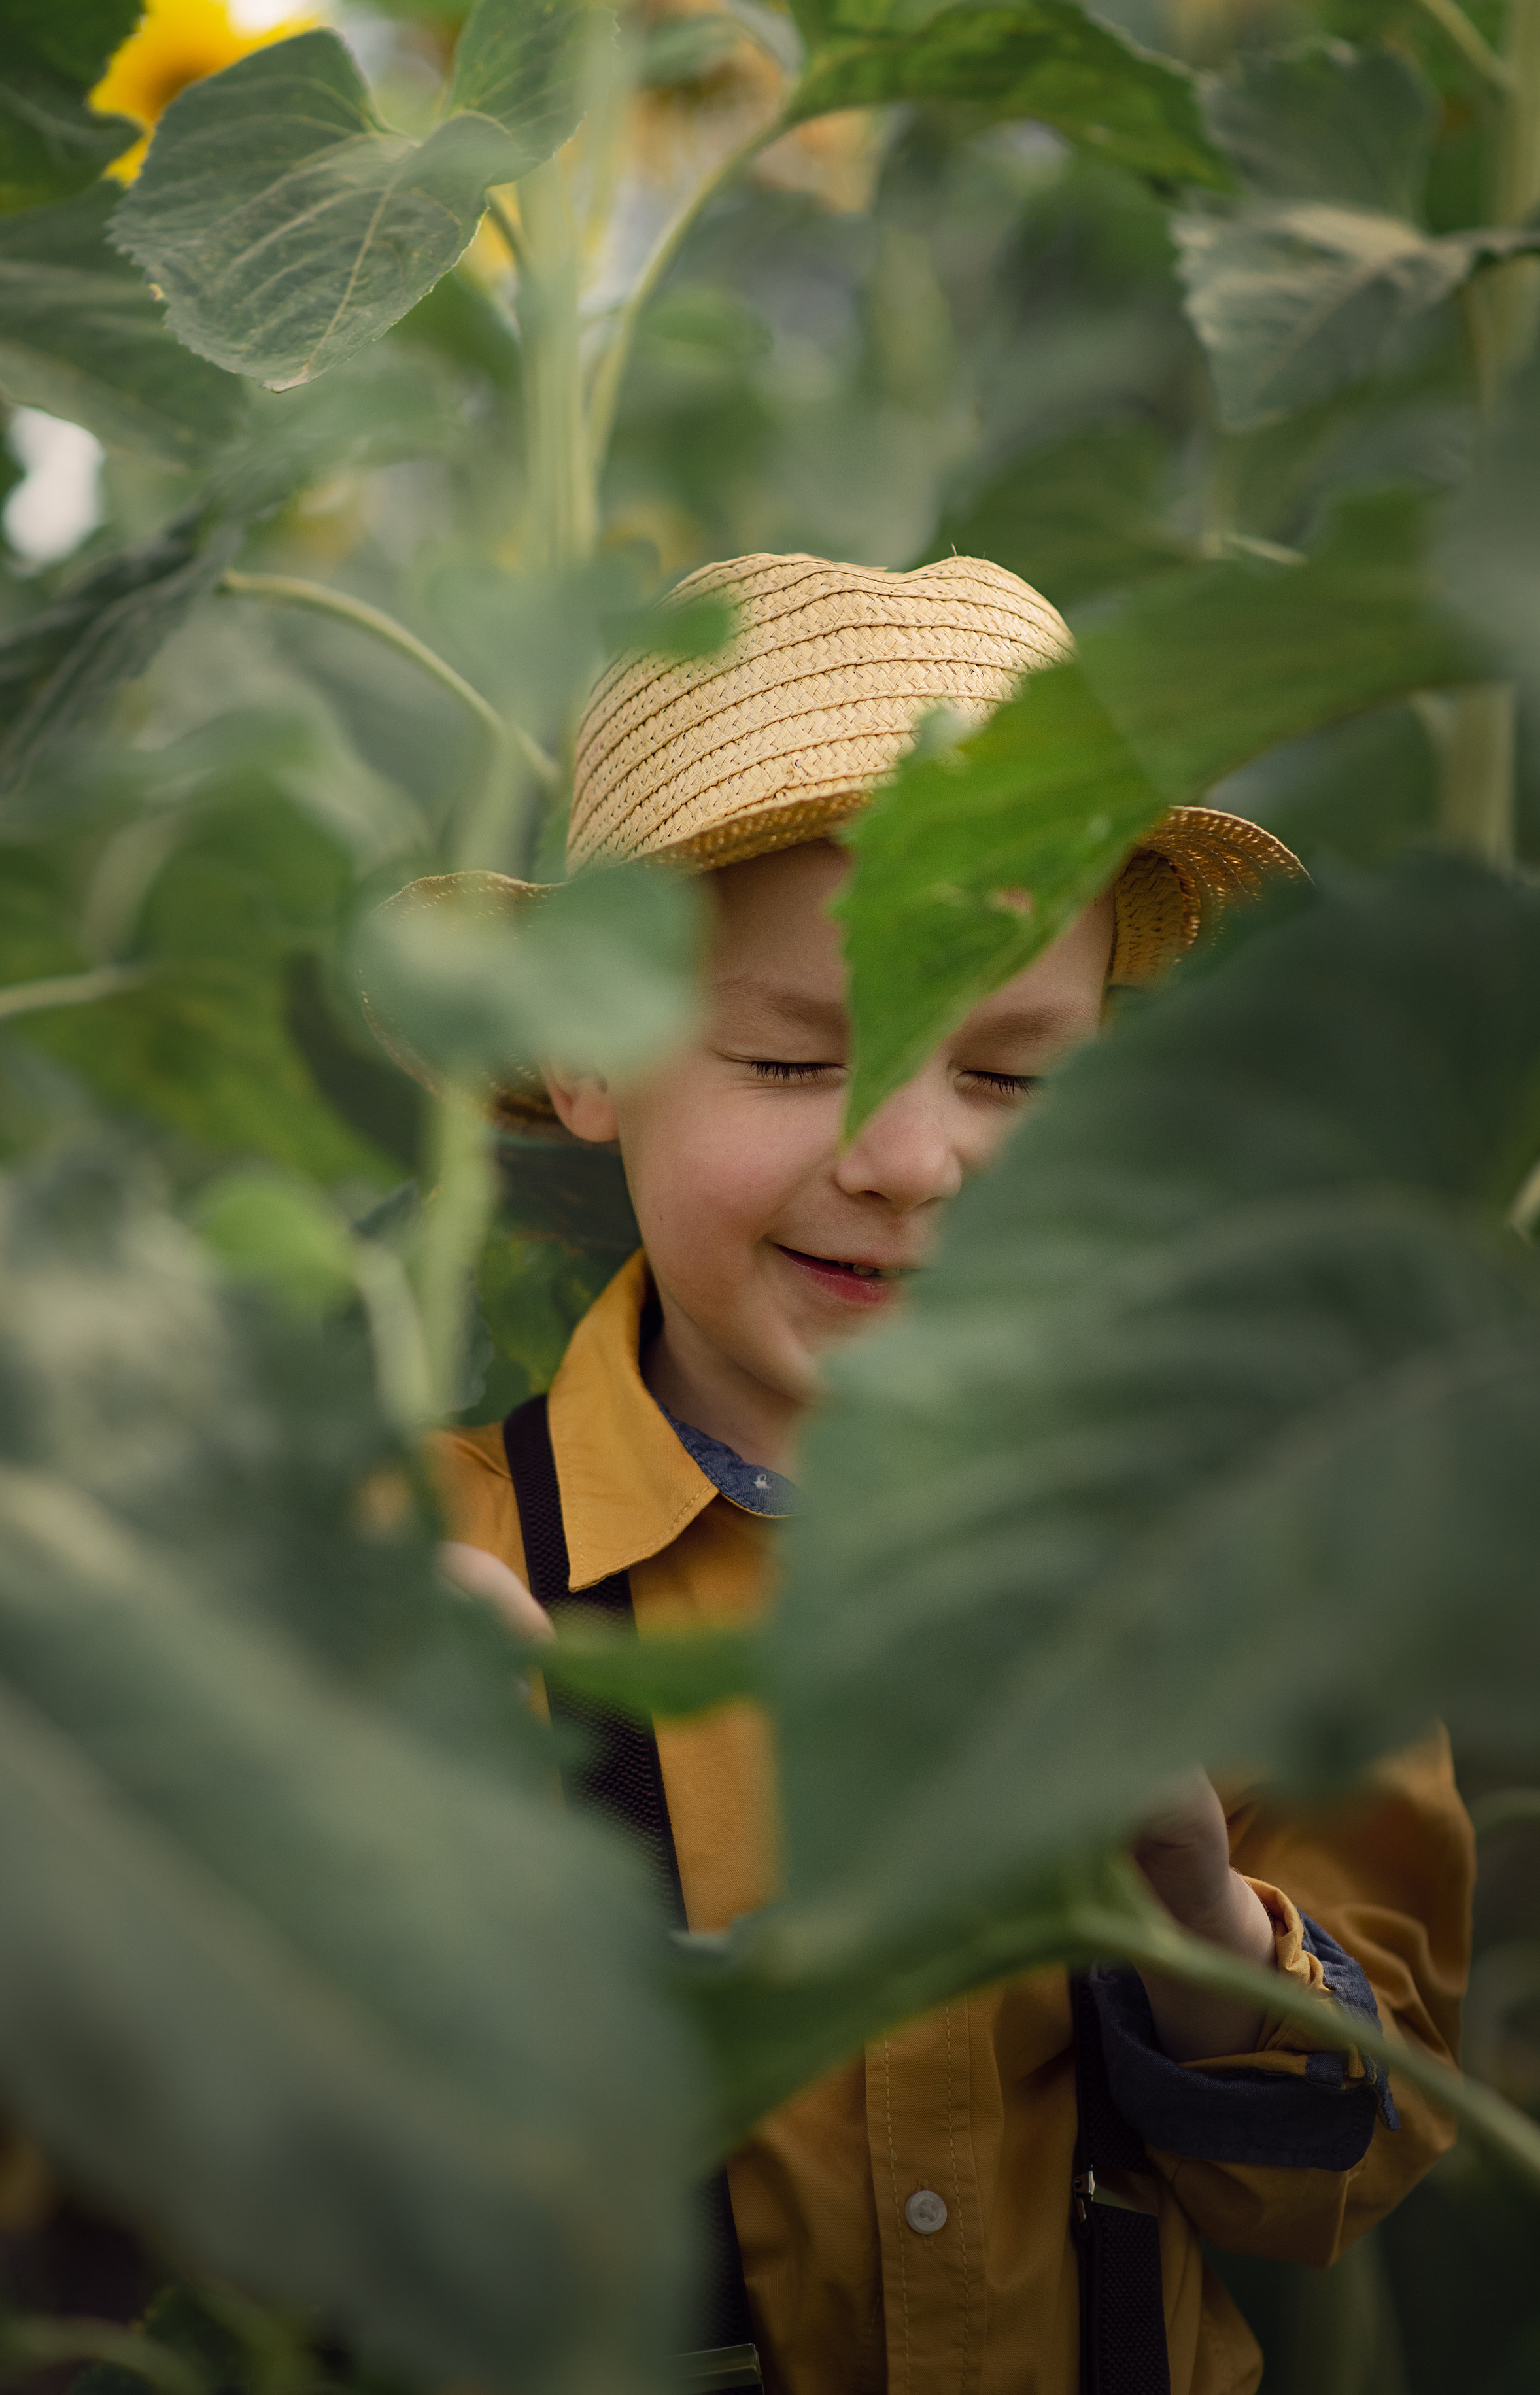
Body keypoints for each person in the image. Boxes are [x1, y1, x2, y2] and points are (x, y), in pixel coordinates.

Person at [377, 554, 1473, 2395]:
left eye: (1015, 1078)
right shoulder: (422, 1561)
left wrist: (1198, 1916)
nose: (910, 1159)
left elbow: (1358, 2161)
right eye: (795, 1057)